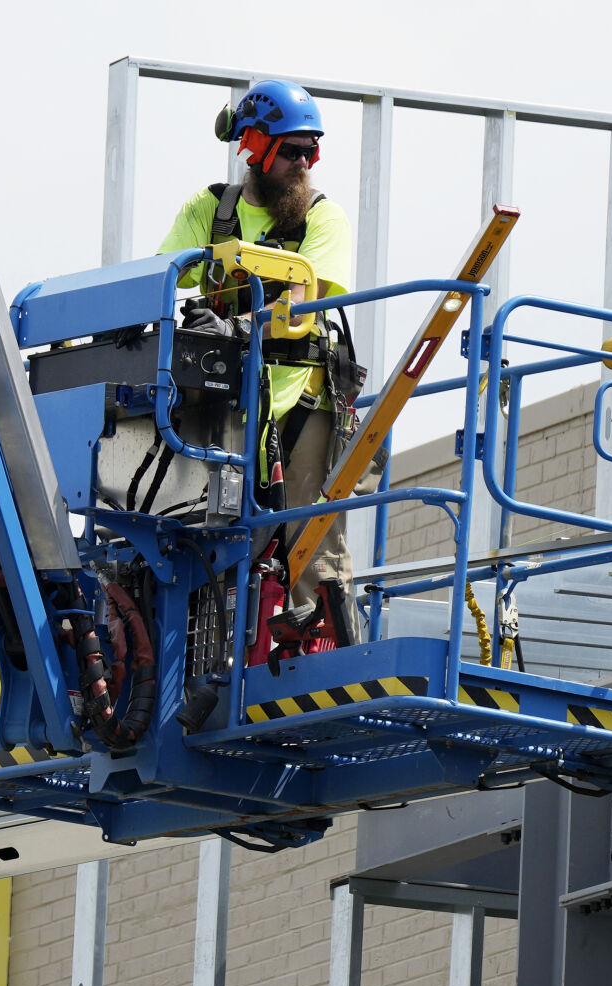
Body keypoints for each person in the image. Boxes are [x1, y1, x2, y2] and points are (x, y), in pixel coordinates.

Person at [158, 79, 364, 644]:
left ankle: (329, 660)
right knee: (209, 536)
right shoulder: (212, 210)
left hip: (301, 402)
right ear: (254, 146)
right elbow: (162, 277)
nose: (304, 163)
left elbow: (305, 302)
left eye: (311, 151)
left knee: (309, 539)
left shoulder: (323, 219)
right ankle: (213, 659)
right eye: (291, 150)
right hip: (227, 405)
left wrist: (239, 325)